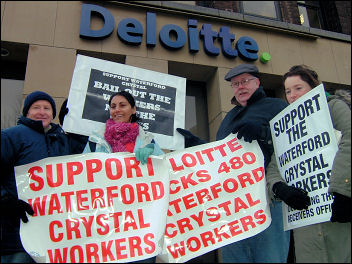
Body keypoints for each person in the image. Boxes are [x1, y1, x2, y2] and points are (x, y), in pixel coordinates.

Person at [178, 64, 309, 262]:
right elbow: (221, 157)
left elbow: (294, 143)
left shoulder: (276, 106)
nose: (240, 86)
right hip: (232, 205)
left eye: (245, 81)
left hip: (267, 199)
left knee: (270, 257)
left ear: (257, 82)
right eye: (235, 84)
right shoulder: (228, 118)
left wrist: (263, 134)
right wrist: (197, 145)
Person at [267, 65, 351, 263]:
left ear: (313, 87)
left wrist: (342, 189)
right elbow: (274, 167)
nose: (292, 95)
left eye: (298, 88)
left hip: (339, 211)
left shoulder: (333, 107)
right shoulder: (285, 126)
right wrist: (281, 189)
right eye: (288, 91)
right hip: (306, 224)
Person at [83, 90, 164, 263]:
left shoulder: (148, 140)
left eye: (122, 105)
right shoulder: (94, 141)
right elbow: (82, 174)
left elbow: (164, 171)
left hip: (140, 220)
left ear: (133, 109)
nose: (117, 110)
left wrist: (154, 155)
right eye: (113, 106)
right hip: (106, 219)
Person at [1, 91, 71, 263]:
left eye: (47, 108)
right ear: (26, 112)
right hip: (17, 230)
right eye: (36, 107)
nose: (42, 112)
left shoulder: (61, 139)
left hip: (52, 234)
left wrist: (74, 116)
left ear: (53, 114)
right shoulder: (11, 135)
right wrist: (6, 201)